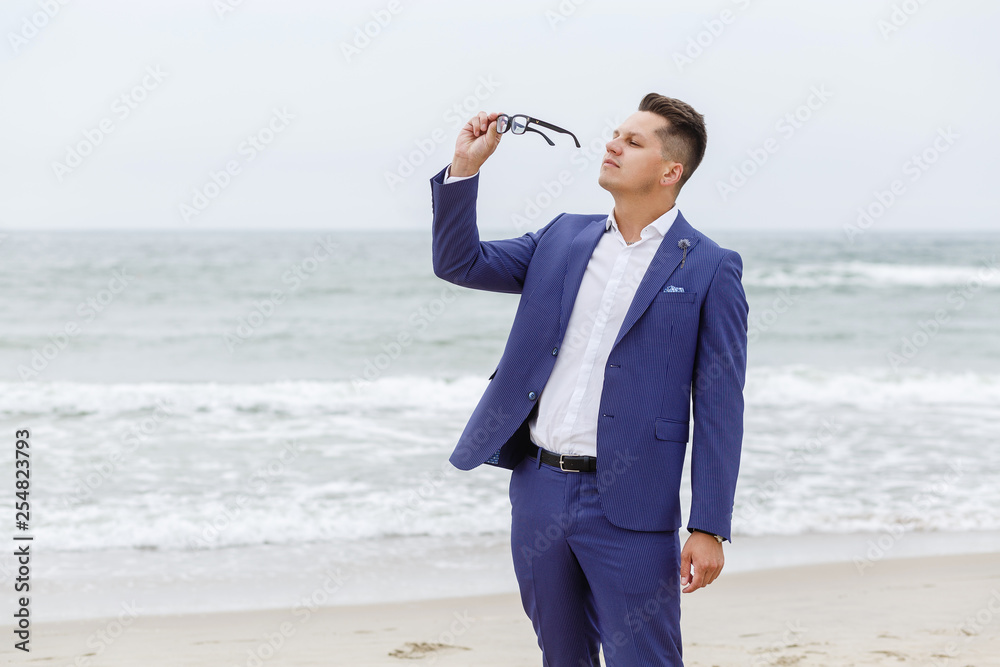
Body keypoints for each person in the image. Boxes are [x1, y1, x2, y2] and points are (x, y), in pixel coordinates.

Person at [428, 93, 749, 666]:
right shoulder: (561, 238)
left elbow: (720, 406)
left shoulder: (709, 266)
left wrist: (709, 525)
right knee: (562, 657)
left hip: (632, 502)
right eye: (616, 134)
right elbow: (460, 263)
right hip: (539, 490)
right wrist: (465, 169)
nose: (613, 145)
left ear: (670, 171)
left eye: (633, 141)